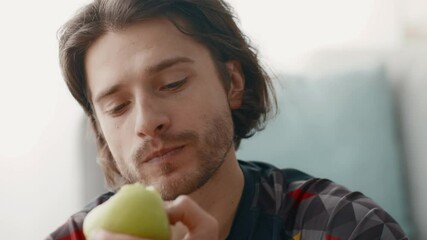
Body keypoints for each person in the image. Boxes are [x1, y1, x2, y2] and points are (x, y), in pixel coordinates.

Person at [47, 0, 408, 239]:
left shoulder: (343, 227)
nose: (147, 121)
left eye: (172, 84)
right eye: (117, 107)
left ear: (233, 83)